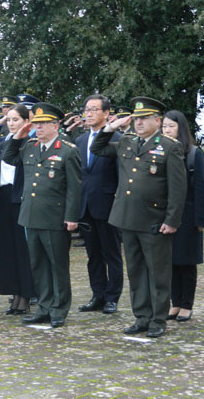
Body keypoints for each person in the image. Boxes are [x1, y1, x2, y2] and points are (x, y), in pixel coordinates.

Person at [91, 96, 186, 338]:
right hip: (128, 218)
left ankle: (158, 319)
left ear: (157, 120)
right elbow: (97, 148)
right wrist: (110, 127)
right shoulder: (127, 142)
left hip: (154, 220)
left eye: (144, 119)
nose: (139, 123)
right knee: (135, 271)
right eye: (136, 119)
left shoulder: (169, 146)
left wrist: (172, 220)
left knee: (157, 272)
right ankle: (141, 316)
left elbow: (178, 188)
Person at [3, 102, 82, 328]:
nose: (38, 128)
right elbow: (8, 157)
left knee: (57, 265)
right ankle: (44, 306)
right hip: (31, 215)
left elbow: (75, 188)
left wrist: (72, 217)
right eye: (35, 124)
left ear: (55, 125)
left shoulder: (67, 150)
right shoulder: (29, 147)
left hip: (54, 217)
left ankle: (59, 308)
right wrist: (19, 135)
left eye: (43, 124)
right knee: (38, 265)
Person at [75, 95, 123, 315]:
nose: (89, 113)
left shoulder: (118, 139)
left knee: (111, 252)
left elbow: (123, 176)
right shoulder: (80, 140)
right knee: (93, 254)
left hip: (108, 203)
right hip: (86, 205)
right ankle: (98, 294)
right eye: (87, 109)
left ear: (106, 113)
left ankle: (112, 297)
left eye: (94, 109)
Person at [0, 104, 36, 314]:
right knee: (7, 250)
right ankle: (13, 292)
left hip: (21, 198)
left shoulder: (29, 143)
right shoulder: (3, 143)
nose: (11, 124)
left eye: (15, 119)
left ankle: (25, 295)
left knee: (22, 249)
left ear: (27, 122)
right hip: (3, 198)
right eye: (9, 120)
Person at [161, 110, 204, 322]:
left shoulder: (192, 153)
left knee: (186, 262)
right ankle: (175, 302)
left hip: (187, 215)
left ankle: (187, 304)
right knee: (169, 261)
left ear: (181, 128)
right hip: (165, 213)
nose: (167, 129)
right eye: (164, 126)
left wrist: (199, 220)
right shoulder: (159, 151)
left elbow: (200, 188)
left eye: (171, 126)